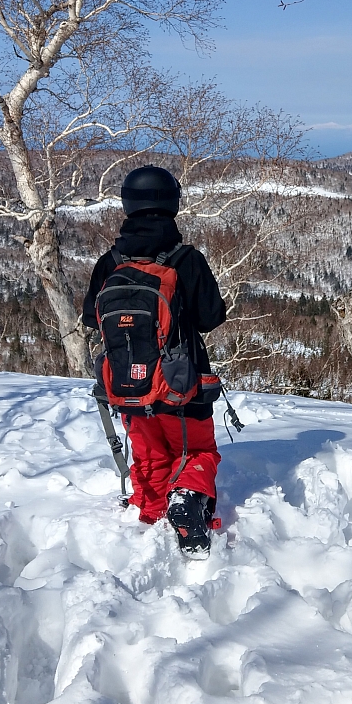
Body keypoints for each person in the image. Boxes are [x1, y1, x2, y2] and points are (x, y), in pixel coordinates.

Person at [83, 165, 226, 555]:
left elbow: (89, 318)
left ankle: (151, 513)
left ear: (129, 203)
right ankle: (187, 499)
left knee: (150, 454)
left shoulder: (110, 261)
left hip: (128, 383)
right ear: (172, 203)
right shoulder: (186, 259)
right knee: (197, 452)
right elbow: (212, 318)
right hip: (185, 383)